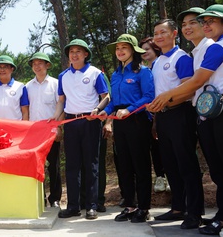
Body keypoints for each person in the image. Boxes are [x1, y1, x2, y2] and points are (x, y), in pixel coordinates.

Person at [148, 4, 223, 235]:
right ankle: (221, 214)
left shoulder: (216, 47)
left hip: (217, 111)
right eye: (201, 22)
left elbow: (195, 84)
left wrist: (166, 98)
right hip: (206, 112)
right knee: (217, 168)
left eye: (207, 22)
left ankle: (210, 214)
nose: (202, 26)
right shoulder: (200, 51)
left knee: (220, 166)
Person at [150, 19, 204, 229]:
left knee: (187, 164)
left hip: (180, 115)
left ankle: (195, 212)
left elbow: (188, 90)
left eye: (163, 32)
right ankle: (178, 208)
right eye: (156, 33)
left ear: (174, 33)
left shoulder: (181, 58)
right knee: (170, 164)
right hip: (162, 118)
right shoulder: (156, 62)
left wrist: (168, 102)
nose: (159, 37)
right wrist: (156, 119)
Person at [98, 34, 155, 223]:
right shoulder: (116, 74)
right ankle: (130, 206)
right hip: (120, 123)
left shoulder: (143, 72)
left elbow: (148, 96)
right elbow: (113, 101)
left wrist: (129, 109)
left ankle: (144, 207)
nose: (120, 51)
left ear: (133, 50)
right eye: (117, 48)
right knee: (124, 165)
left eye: (124, 47)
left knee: (140, 165)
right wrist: (104, 111)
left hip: (138, 121)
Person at [51, 39, 109, 220]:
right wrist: (56, 119)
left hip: (90, 121)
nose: (74, 54)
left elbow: (106, 96)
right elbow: (61, 100)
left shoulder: (95, 73)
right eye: (71, 51)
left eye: (78, 51)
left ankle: (91, 206)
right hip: (70, 122)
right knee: (72, 165)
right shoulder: (63, 76)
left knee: (91, 164)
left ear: (86, 54)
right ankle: (73, 206)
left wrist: (98, 110)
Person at [25, 52, 62, 208]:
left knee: (53, 165)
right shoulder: (27, 86)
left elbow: (61, 106)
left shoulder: (55, 83)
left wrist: (59, 127)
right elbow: (25, 109)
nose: (37, 66)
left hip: (51, 131)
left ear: (47, 65)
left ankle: (55, 198)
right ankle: (39, 197)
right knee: (35, 165)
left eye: (40, 63)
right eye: (34, 63)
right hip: (33, 133)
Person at [138, 38, 169, 193]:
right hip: (148, 115)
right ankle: (160, 176)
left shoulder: (161, 64)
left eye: (147, 49)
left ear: (156, 49)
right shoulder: (144, 70)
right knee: (154, 147)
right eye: (142, 50)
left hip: (165, 111)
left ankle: (168, 177)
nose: (145, 52)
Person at [0, 55, 29, 120]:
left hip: (15, 128)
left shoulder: (20, 87)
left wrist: (24, 128)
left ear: (12, 69)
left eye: (5, 67)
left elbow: (25, 112)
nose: (2, 70)